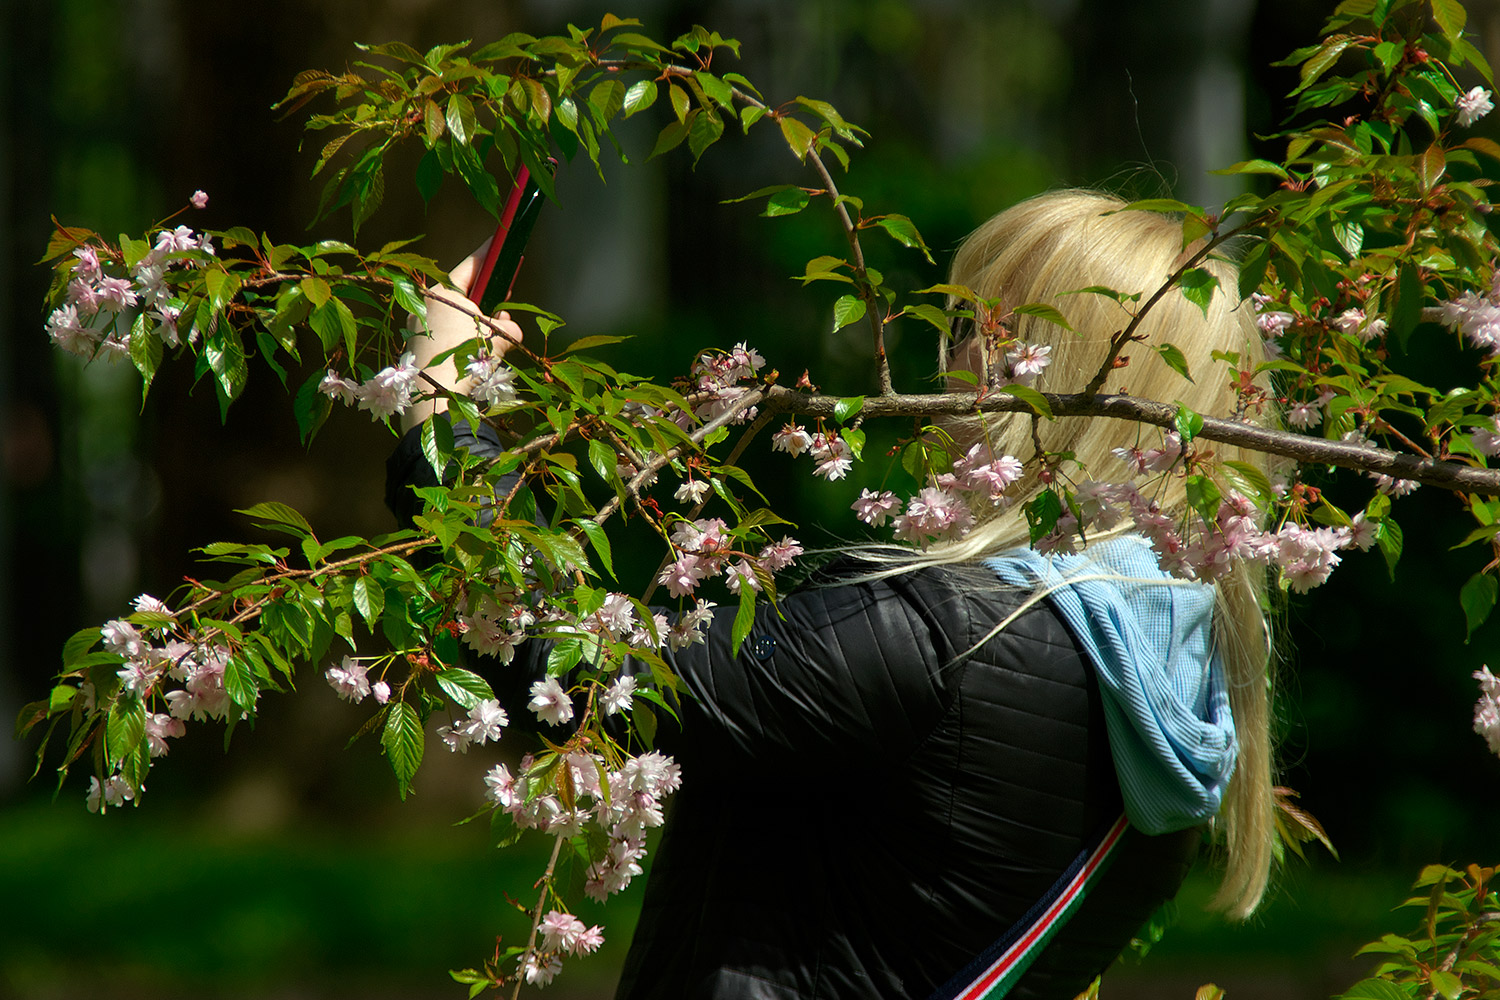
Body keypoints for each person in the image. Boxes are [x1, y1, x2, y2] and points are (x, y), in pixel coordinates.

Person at [385, 189, 1276, 1000]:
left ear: (1077, 376)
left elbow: (577, 665)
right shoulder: (1187, 693)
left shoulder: (937, 634)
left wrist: (442, 411)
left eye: (987, 331)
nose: (950, 358)